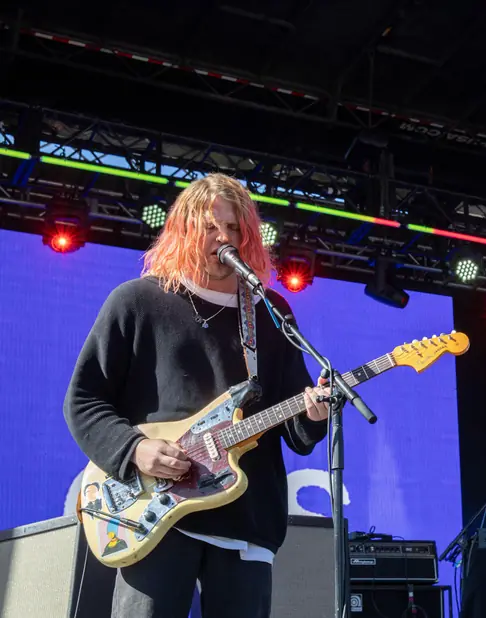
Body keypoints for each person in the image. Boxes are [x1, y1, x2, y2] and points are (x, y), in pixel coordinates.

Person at [63, 174, 333, 618]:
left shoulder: (270, 311)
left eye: (233, 229)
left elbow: (297, 430)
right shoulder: (137, 301)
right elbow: (84, 400)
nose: (223, 238)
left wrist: (316, 413)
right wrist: (135, 449)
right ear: (184, 231)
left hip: (245, 518)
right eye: (210, 228)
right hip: (154, 512)